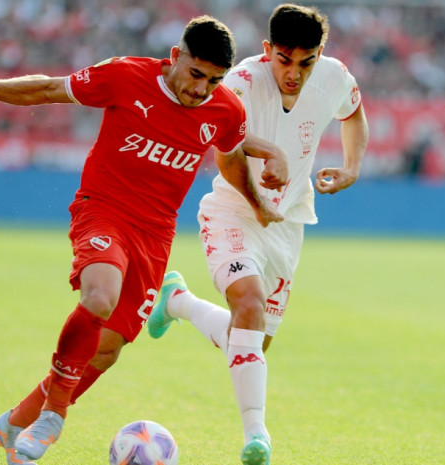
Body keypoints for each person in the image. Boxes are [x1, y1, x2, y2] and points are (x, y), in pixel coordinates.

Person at [0, 16, 289, 465]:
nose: (202, 89)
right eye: (196, 74)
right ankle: (53, 416)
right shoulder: (125, 76)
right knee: (99, 297)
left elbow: (233, 150)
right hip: (103, 209)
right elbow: (49, 88)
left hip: (156, 234)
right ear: (175, 57)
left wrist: (259, 201)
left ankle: (13, 423)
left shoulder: (224, 109)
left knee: (107, 349)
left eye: (215, 80)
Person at [146, 4, 368, 465]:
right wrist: (255, 199)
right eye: (284, 60)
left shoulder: (334, 76)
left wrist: (351, 168)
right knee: (247, 305)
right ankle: (257, 437)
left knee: (251, 344)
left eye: (305, 62)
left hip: (287, 222)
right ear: (268, 51)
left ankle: (177, 301)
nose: (294, 73)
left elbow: (355, 113)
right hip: (234, 208)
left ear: (320, 55)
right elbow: (224, 150)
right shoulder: (242, 82)